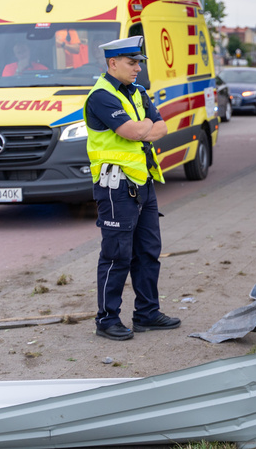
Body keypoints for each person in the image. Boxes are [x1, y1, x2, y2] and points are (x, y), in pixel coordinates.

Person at [83, 36, 180, 341]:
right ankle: (107, 319)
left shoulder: (137, 92)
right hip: (115, 187)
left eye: (139, 62)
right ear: (112, 63)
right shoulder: (101, 96)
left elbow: (162, 126)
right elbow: (132, 130)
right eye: (131, 62)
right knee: (116, 255)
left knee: (148, 252)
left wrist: (144, 130)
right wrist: (145, 129)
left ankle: (147, 314)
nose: (138, 68)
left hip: (143, 182)